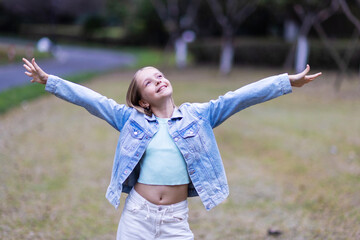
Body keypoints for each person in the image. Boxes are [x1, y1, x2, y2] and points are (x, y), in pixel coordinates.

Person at [22, 58, 321, 239]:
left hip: (176, 220)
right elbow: (93, 101)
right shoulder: (130, 119)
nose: (159, 81)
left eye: (160, 76)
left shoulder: (199, 115)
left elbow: (238, 97)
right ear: (142, 101)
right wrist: (50, 81)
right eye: (150, 82)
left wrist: (285, 82)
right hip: (137, 217)